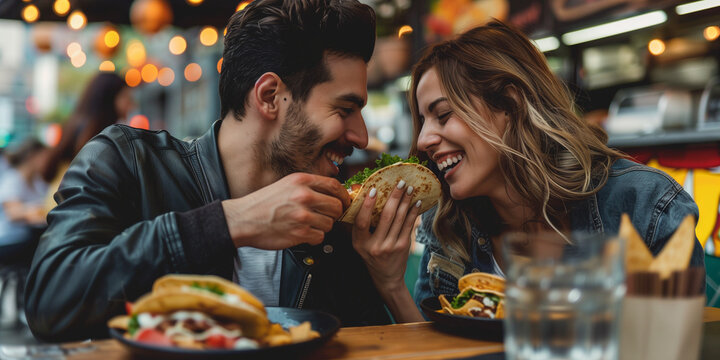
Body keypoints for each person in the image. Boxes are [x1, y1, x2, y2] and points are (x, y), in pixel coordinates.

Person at [25, 0, 421, 342]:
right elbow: (51, 301)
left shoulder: (332, 224)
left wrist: (386, 279)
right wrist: (229, 222)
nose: (362, 136)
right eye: (345, 109)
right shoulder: (126, 161)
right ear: (270, 97)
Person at [360, 21, 706, 323]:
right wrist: (391, 285)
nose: (423, 141)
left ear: (510, 105)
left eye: (444, 115)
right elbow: (435, 351)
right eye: (422, 122)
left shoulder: (646, 207)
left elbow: (670, 346)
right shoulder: (450, 223)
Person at [39, 72, 134, 216]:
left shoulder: (76, 123)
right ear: (110, 98)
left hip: (58, 203)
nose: (131, 104)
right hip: (73, 209)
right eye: (126, 97)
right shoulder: (100, 133)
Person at [0, 138, 48, 263]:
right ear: (32, 157)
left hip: (29, 238)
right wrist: (39, 212)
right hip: (11, 239)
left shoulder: (38, 181)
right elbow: (13, 213)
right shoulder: (12, 178)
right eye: (44, 157)